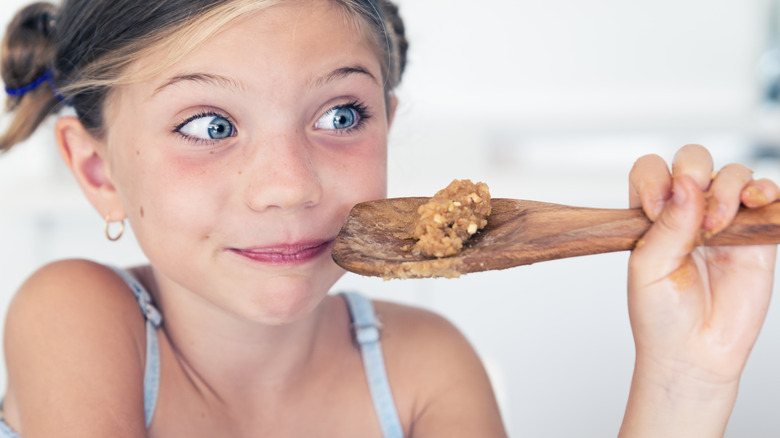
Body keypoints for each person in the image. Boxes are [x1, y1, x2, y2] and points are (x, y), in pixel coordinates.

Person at [0, 0, 776, 437]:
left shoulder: (422, 369)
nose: (289, 187)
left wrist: (685, 377)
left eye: (341, 114)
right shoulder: (78, 315)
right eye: (209, 126)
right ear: (97, 170)